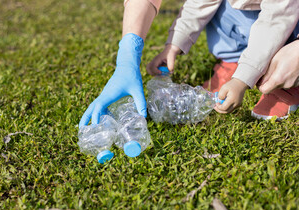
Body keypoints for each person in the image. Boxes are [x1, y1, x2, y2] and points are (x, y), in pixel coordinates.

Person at [79, 0, 299, 127]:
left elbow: (276, 20)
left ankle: (285, 83)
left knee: (281, 34)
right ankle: (233, 59)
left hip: (286, 17)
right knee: (223, 7)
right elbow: (198, 4)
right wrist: (172, 45)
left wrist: (243, 79)